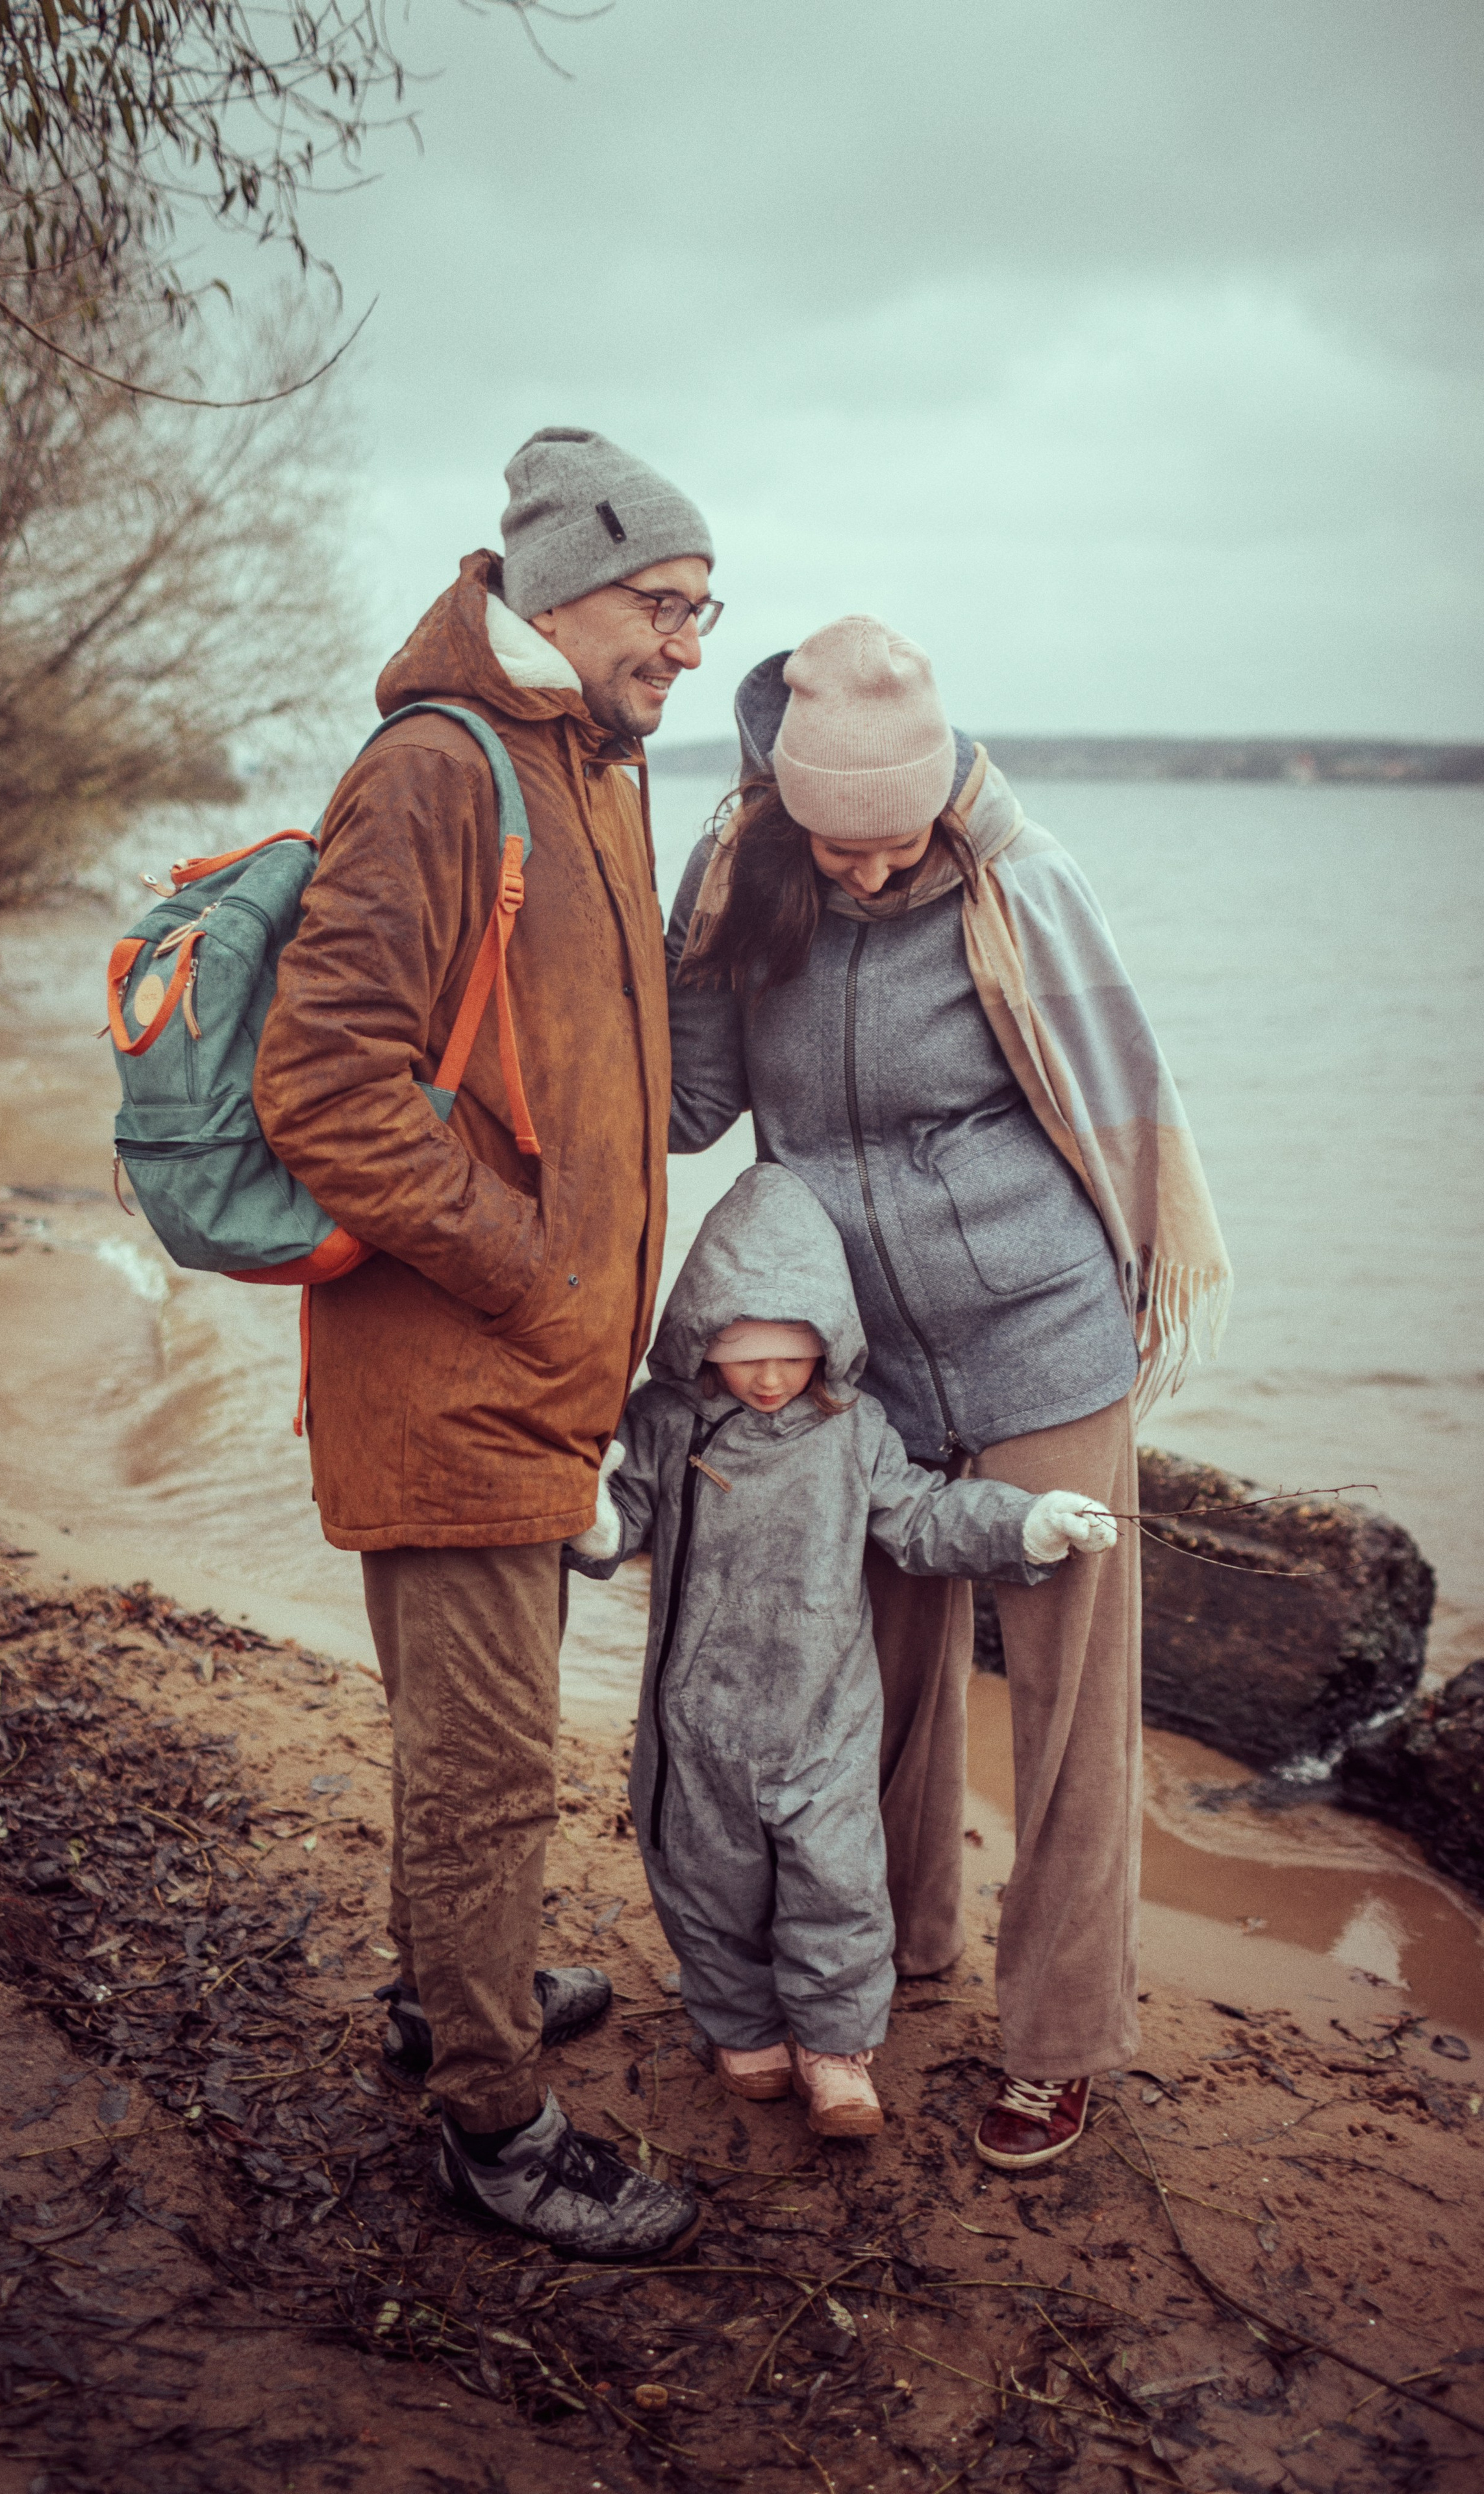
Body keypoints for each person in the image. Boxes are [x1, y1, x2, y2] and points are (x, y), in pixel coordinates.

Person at [664, 617, 1230, 2173]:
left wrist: (1117, 1313)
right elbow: (691, 1106)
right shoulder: (748, 881)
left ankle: (1054, 2044)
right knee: (872, 1693)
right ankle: (890, 1956)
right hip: (861, 1363)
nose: (863, 872)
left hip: (1041, 1334)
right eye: (831, 843)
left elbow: (1117, 1104)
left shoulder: (1017, 885)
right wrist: (684, 948)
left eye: (892, 841)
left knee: (1065, 1712)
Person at [254, 427, 722, 2256]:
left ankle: (449, 1987)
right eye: (667, 607)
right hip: (459, 1358)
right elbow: (326, 1089)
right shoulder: (441, 773)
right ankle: (493, 2118)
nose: (687, 644)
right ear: (566, 586)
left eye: (706, 614)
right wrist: (529, 1270)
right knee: (491, 1759)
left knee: (470, 1738)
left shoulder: (585, 762)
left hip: (531, 1365)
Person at [567, 1163, 1116, 2140]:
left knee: (840, 1881)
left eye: (794, 1352)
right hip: (698, 1719)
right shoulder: (665, 1424)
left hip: (825, 1714)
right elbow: (622, 1527)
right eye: (745, 1352)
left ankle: (837, 2047)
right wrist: (594, 1515)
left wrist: (1028, 1523)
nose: (773, 1377)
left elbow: (922, 1519)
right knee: (705, 1875)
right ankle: (740, 2025)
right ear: (700, 1336)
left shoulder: (851, 1429)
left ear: (830, 1343)